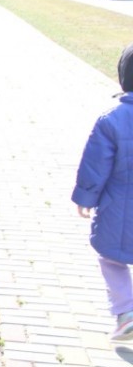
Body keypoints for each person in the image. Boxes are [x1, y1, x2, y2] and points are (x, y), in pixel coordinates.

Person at [73, 43, 133, 340]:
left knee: (112, 259)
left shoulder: (112, 120)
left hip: (119, 212)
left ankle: (126, 311)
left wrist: (85, 197)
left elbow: (95, 166)